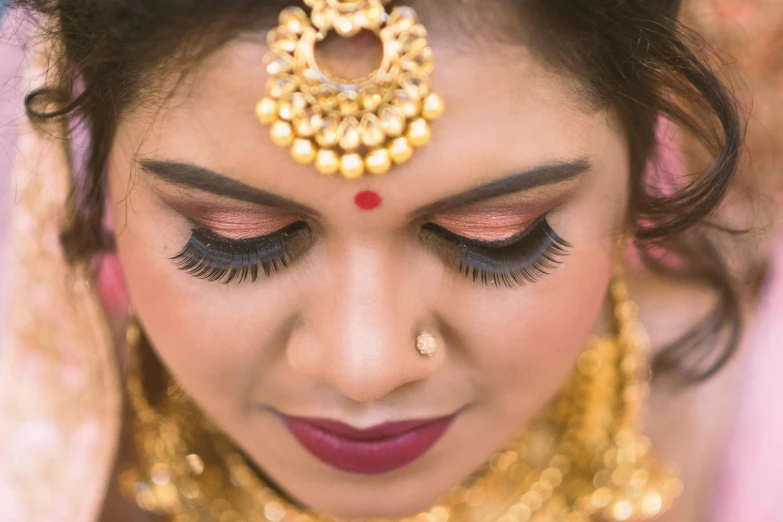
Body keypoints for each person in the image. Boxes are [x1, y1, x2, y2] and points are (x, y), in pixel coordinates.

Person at [0, 0, 765, 521]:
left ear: (633, 186)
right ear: (85, 178)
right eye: (232, 237)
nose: (363, 366)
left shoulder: (758, 414)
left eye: (498, 235)